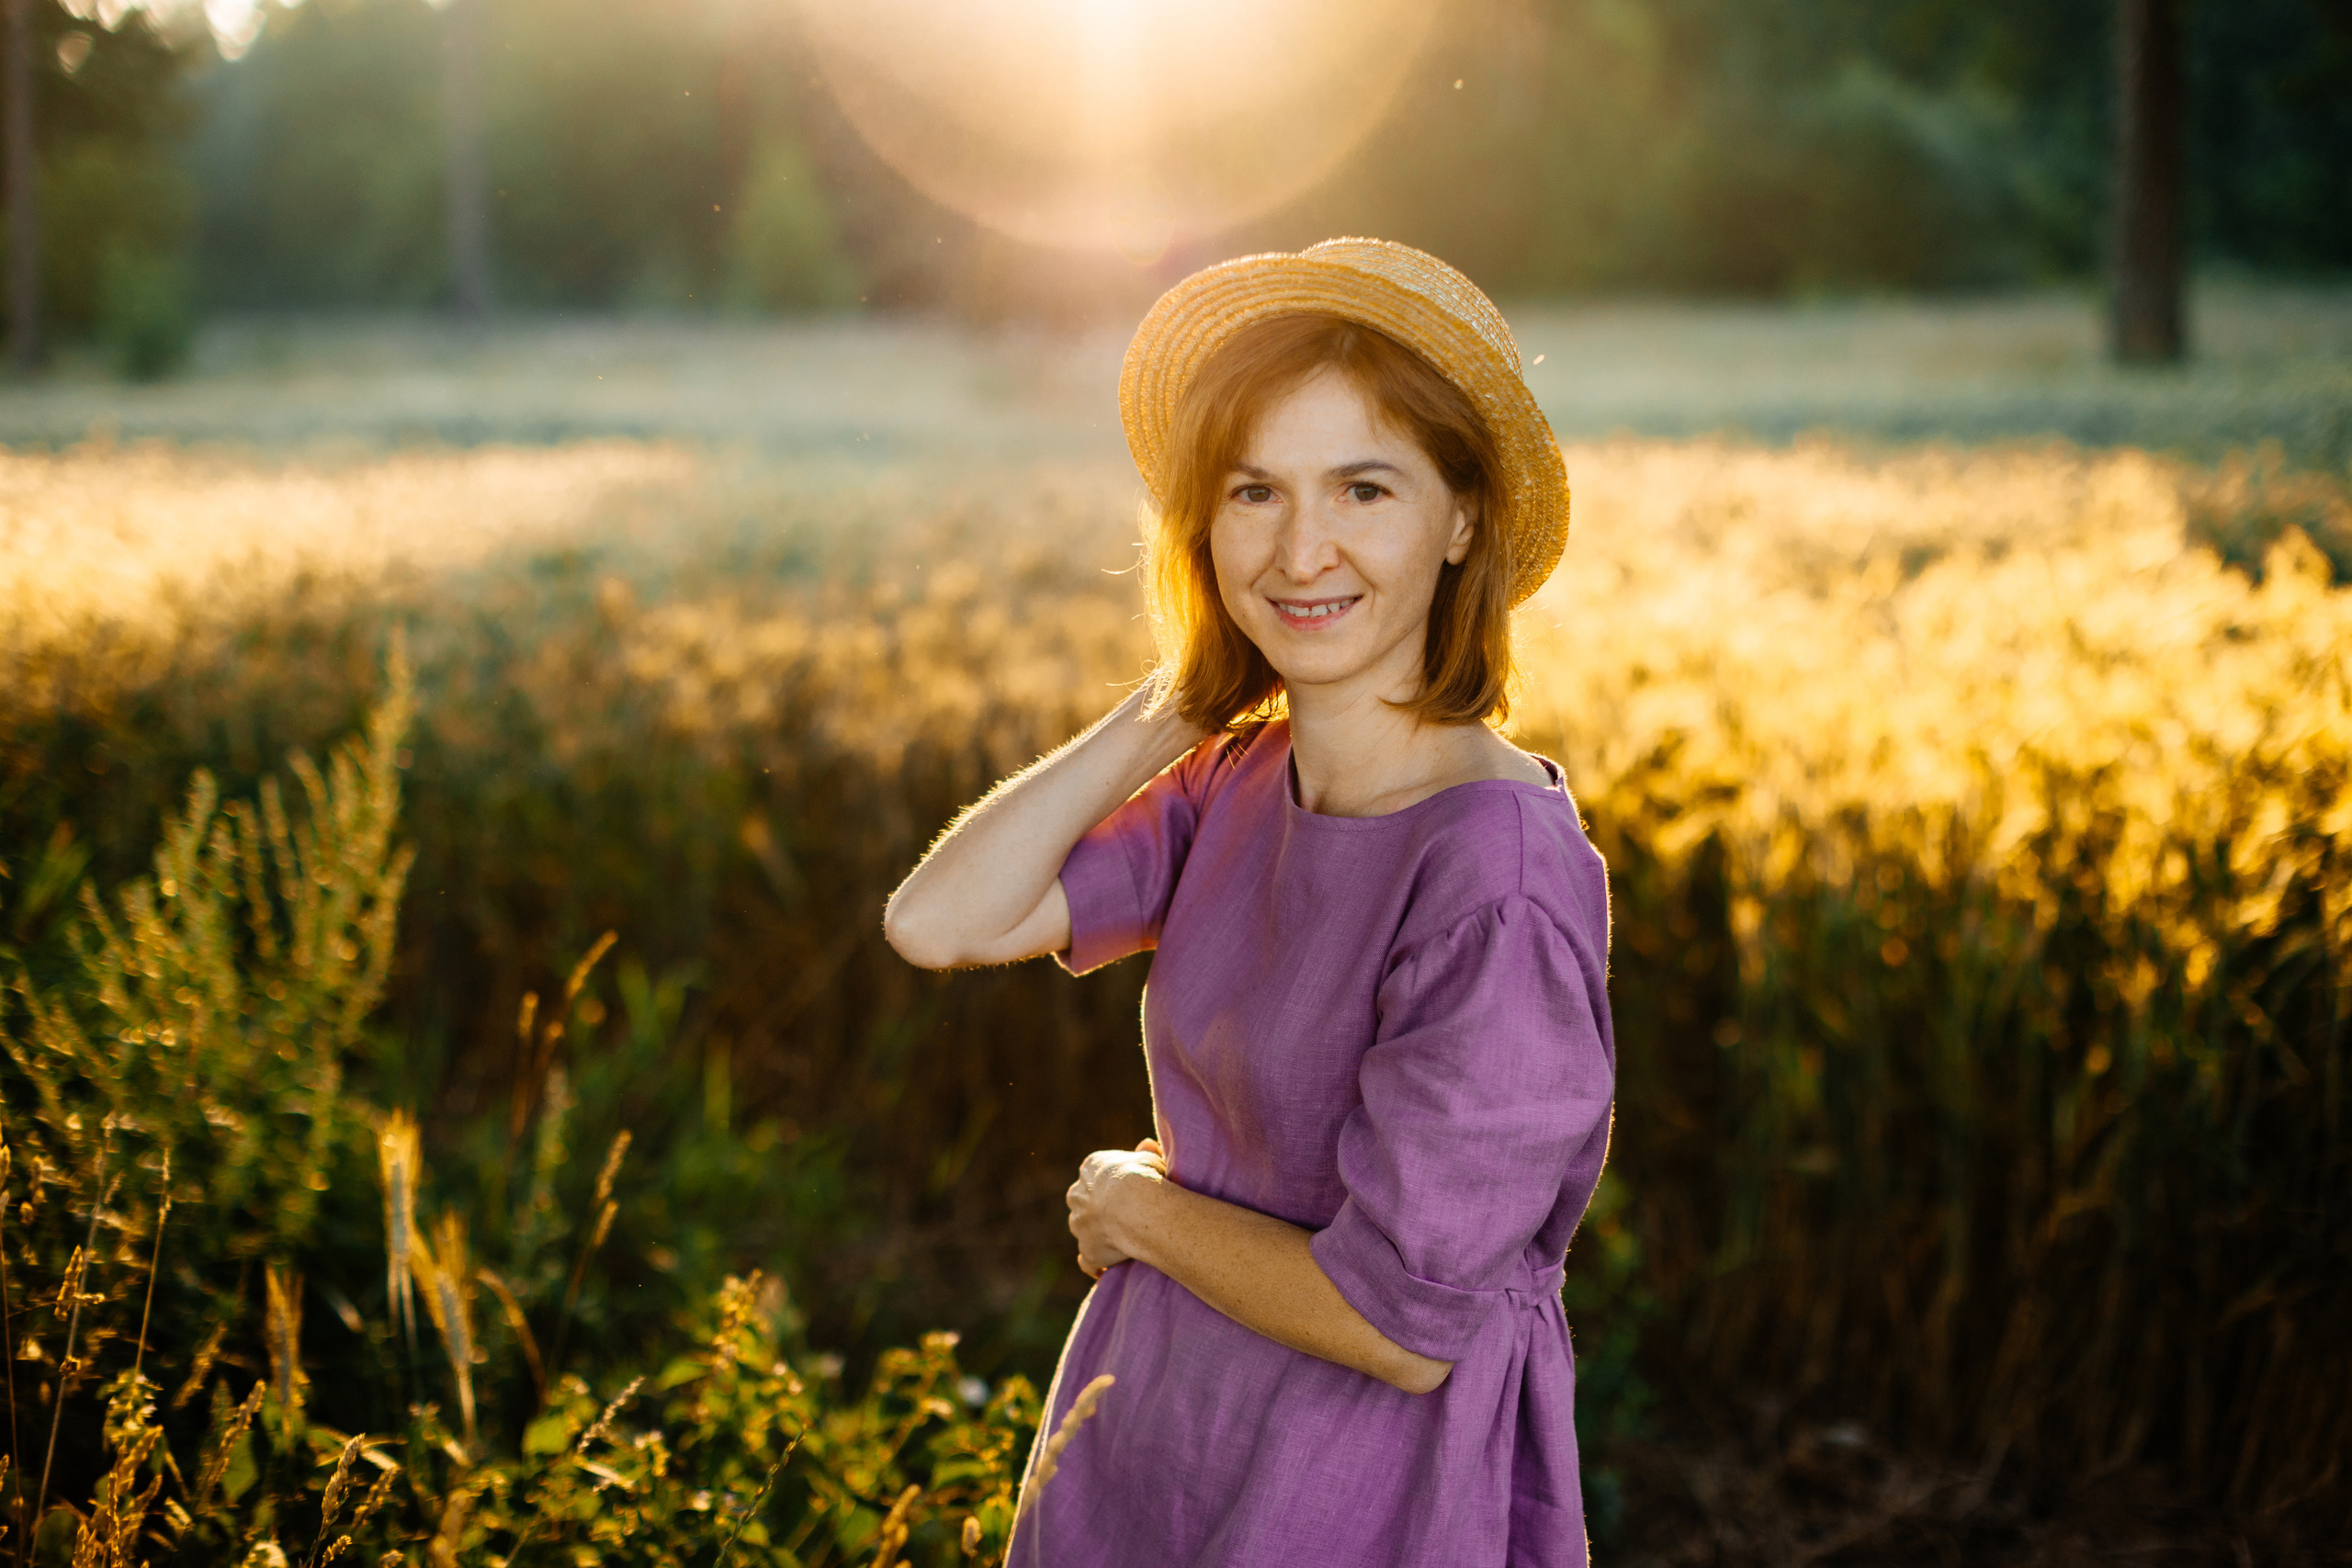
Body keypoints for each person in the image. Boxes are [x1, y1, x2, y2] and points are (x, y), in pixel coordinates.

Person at [883, 239, 1615, 1566]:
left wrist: (1134, 1207)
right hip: (1157, 1430)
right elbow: (941, 923)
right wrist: (1174, 699)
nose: (1300, 547)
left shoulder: (1496, 879)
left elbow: (1400, 1327)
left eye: (1364, 487)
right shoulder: (1234, 778)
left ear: (1463, 521)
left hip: (1358, 1488)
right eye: (1254, 491)